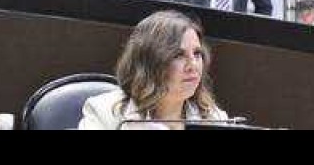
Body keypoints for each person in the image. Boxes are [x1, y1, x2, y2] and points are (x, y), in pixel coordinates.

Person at [79, 10, 228, 130]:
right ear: (150, 63)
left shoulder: (215, 119)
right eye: (178, 55)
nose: (193, 65)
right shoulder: (104, 112)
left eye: (197, 53)